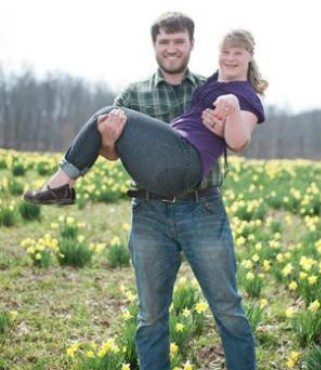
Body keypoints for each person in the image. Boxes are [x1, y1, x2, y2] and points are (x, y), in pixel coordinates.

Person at [24, 18, 262, 370]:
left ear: (192, 45)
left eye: (179, 41)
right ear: (155, 46)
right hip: (149, 211)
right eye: (164, 42)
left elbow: (239, 136)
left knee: (228, 309)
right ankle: (62, 183)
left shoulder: (209, 86)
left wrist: (228, 115)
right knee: (150, 315)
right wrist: (107, 139)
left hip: (202, 208)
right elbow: (110, 152)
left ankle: (61, 183)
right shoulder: (135, 93)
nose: (171, 48)